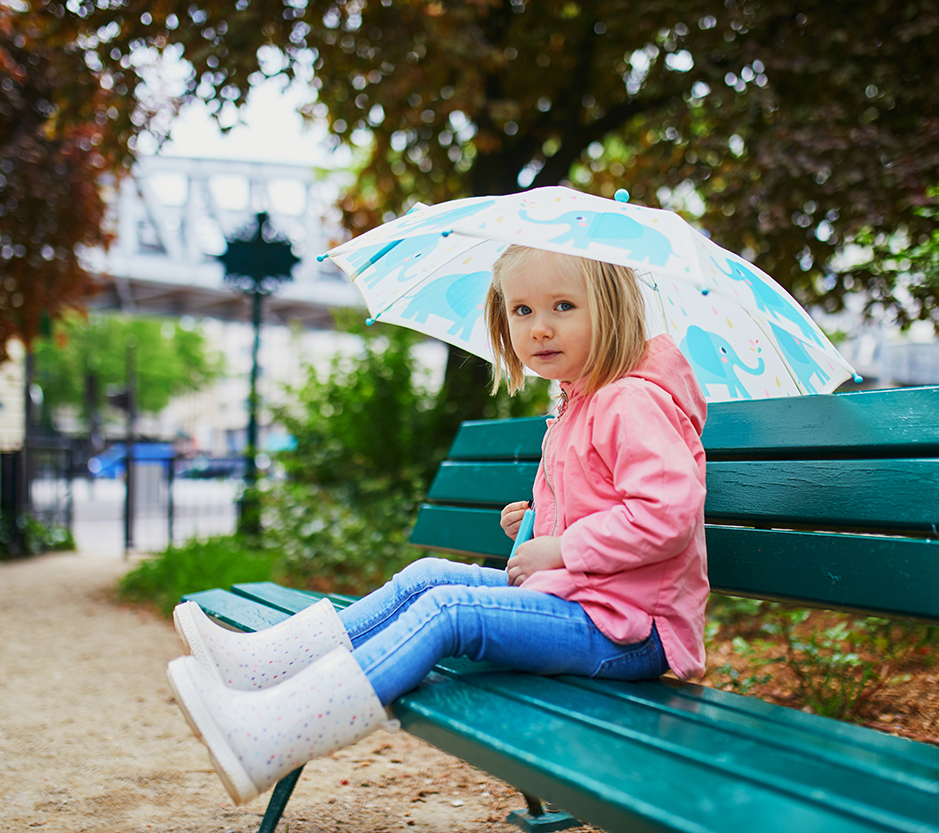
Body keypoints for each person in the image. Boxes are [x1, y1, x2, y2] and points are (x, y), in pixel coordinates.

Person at [166, 245, 710, 806]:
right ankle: (265, 668)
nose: (540, 329)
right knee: (426, 576)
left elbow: (665, 516)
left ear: (613, 310)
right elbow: (603, 504)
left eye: (564, 306)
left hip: (629, 631)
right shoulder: (584, 400)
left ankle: (273, 735)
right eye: (521, 311)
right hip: (587, 601)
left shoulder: (631, 401)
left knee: (449, 611)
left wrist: (563, 546)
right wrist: (538, 521)